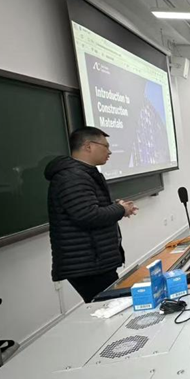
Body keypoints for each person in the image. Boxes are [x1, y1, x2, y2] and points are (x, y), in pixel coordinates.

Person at [45, 127, 138, 303]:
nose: (109, 152)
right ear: (88, 146)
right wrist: (120, 209)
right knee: (110, 305)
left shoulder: (83, 173)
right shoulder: (72, 177)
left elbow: (87, 208)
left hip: (94, 260)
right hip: (87, 263)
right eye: (105, 146)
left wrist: (117, 207)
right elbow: (87, 215)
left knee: (113, 303)